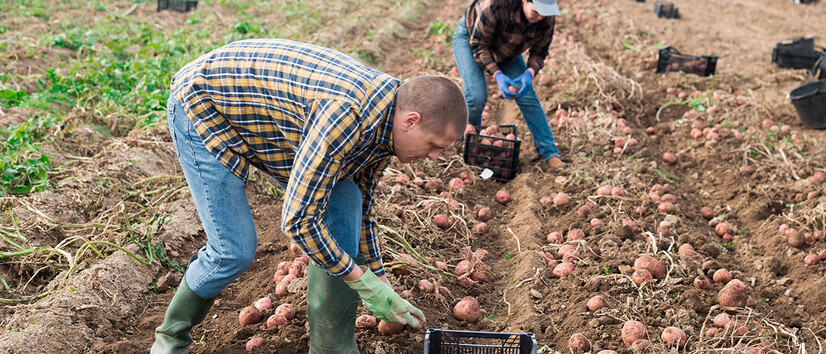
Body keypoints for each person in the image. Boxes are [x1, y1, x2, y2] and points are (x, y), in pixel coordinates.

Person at [151, 38, 468, 354]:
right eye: (434, 145)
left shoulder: (388, 123)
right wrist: (359, 279)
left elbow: (364, 204)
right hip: (204, 106)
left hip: (264, 117)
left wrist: (380, 279)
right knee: (233, 250)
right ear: (411, 121)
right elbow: (298, 221)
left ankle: (331, 347)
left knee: (346, 200)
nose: (434, 157)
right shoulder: (346, 116)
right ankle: (171, 337)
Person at [453, 0, 564, 168]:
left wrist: (529, 73)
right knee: (476, 97)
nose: (540, 17)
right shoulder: (495, 4)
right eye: (536, 12)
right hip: (472, 38)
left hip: (507, 48)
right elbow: (480, 45)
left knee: (527, 97)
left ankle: (549, 152)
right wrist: (497, 74)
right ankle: (469, 143)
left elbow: (540, 52)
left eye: (544, 13)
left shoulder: (545, 17)